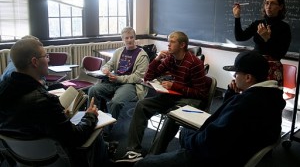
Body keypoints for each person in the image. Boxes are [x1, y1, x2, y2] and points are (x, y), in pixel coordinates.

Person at [133, 51, 286, 167]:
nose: (234, 77)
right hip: (237, 149)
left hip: (213, 158)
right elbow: (231, 119)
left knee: (143, 164)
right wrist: (231, 95)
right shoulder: (271, 97)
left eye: (236, 73)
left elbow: (209, 143)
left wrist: (185, 136)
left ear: (248, 78)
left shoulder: (245, 104)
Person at [0, 38, 109, 167]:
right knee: (96, 133)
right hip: (54, 159)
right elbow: (75, 137)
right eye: (46, 56)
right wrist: (90, 115)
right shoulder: (45, 101)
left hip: (19, 158)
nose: (48, 60)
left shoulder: (4, 90)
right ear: (34, 62)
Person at [116, 31, 208, 163]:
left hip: (190, 100)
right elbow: (148, 77)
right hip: (173, 96)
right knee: (142, 105)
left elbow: (201, 94)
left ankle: (153, 156)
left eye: (172, 42)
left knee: (173, 116)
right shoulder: (170, 58)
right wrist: (157, 59)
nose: (168, 45)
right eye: (168, 41)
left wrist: (175, 86)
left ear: (182, 45)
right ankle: (133, 150)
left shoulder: (195, 63)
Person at [88, 27, 149, 120]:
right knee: (93, 90)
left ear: (135, 38)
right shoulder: (119, 51)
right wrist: (105, 69)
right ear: (122, 39)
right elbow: (109, 64)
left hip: (130, 84)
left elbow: (138, 77)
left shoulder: (142, 55)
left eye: (131, 37)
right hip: (115, 81)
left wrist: (118, 79)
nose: (129, 40)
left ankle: (109, 127)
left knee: (116, 102)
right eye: (126, 38)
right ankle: (92, 118)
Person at [233, 0, 291, 86]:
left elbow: (280, 54)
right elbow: (240, 37)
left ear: (280, 7)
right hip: (254, 65)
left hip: (271, 68)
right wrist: (237, 17)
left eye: (273, 3)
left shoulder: (284, 27)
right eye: (267, 3)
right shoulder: (258, 23)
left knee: (267, 98)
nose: (269, 6)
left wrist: (267, 39)